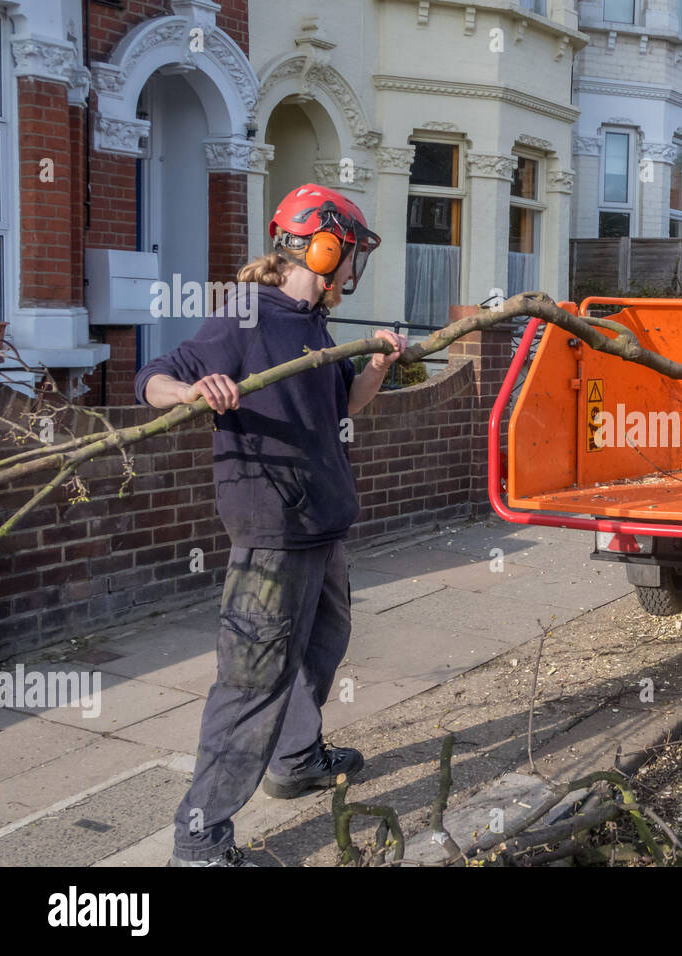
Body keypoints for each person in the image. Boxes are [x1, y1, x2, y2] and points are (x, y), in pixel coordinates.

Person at [135, 184, 407, 867]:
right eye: (350, 252)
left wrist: (373, 365)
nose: (352, 267)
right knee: (251, 684)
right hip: (272, 532)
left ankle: (294, 759)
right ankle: (199, 842)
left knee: (324, 643)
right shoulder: (244, 318)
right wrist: (195, 391)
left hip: (322, 521)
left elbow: (344, 402)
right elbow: (155, 377)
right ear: (320, 245)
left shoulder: (311, 322)